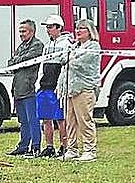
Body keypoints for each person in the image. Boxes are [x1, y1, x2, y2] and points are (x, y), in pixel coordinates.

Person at [63, 19, 102, 162]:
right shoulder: (74, 46)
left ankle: (89, 150)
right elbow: (62, 59)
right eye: (76, 28)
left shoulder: (94, 46)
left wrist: (70, 58)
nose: (78, 31)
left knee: (85, 120)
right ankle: (72, 149)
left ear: (90, 31)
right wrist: (69, 54)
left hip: (85, 88)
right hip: (70, 88)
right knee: (70, 121)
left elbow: (79, 64)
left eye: (82, 28)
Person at [36, 14, 73, 158]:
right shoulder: (47, 46)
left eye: (50, 27)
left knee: (60, 119)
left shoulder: (66, 44)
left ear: (59, 28)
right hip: (44, 86)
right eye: (47, 27)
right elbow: (42, 66)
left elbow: (65, 67)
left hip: (56, 87)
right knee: (46, 118)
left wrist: (60, 86)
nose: (48, 30)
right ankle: (49, 146)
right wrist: (38, 83)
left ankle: (64, 146)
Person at [5, 20, 44, 156]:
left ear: (32, 32)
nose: (21, 34)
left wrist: (17, 60)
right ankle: (23, 145)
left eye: (24, 31)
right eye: (20, 31)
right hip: (18, 88)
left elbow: (25, 60)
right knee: (22, 120)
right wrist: (16, 61)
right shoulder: (21, 46)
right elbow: (11, 63)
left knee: (32, 119)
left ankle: (35, 146)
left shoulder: (37, 45)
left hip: (29, 88)